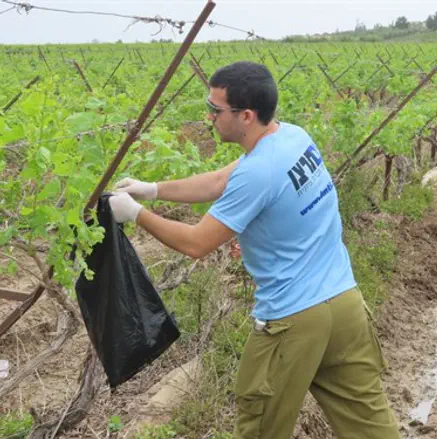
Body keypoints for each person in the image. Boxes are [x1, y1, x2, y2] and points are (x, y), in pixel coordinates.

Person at [107, 61, 400, 439]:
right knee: (370, 426)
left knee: (260, 428)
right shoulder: (292, 137)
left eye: (216, 110)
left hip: (293, 321)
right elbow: (217, 181)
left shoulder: (259, 172)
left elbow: (197, 243)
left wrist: (135, 215)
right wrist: (154, 189)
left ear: (246, 116)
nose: (209, 117)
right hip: (344, 305)